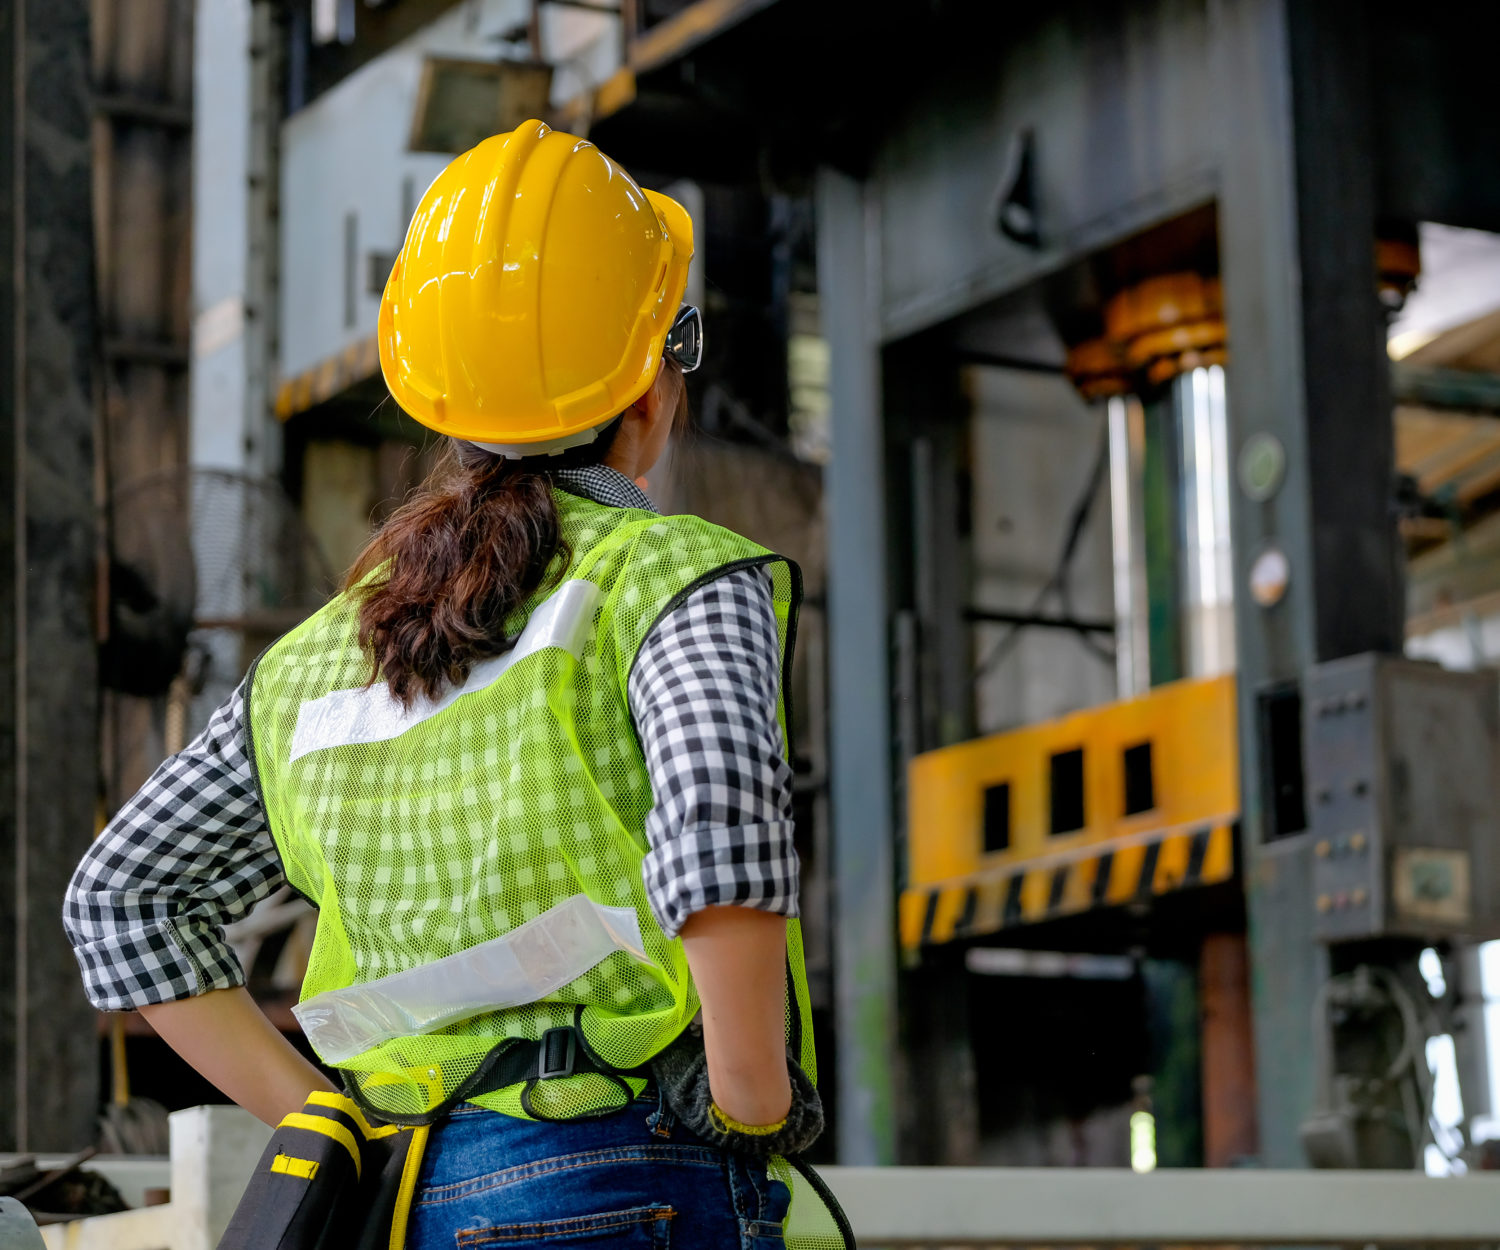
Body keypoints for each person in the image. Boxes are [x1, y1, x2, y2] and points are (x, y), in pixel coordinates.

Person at [65, 120, 823, 1248]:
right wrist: (751, 1096)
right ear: (650, 385)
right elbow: (715, 824)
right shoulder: (674, 574)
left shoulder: (322, 652)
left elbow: (120, 898)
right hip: (630, 1173)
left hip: (406, 1204)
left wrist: (322, 1126)